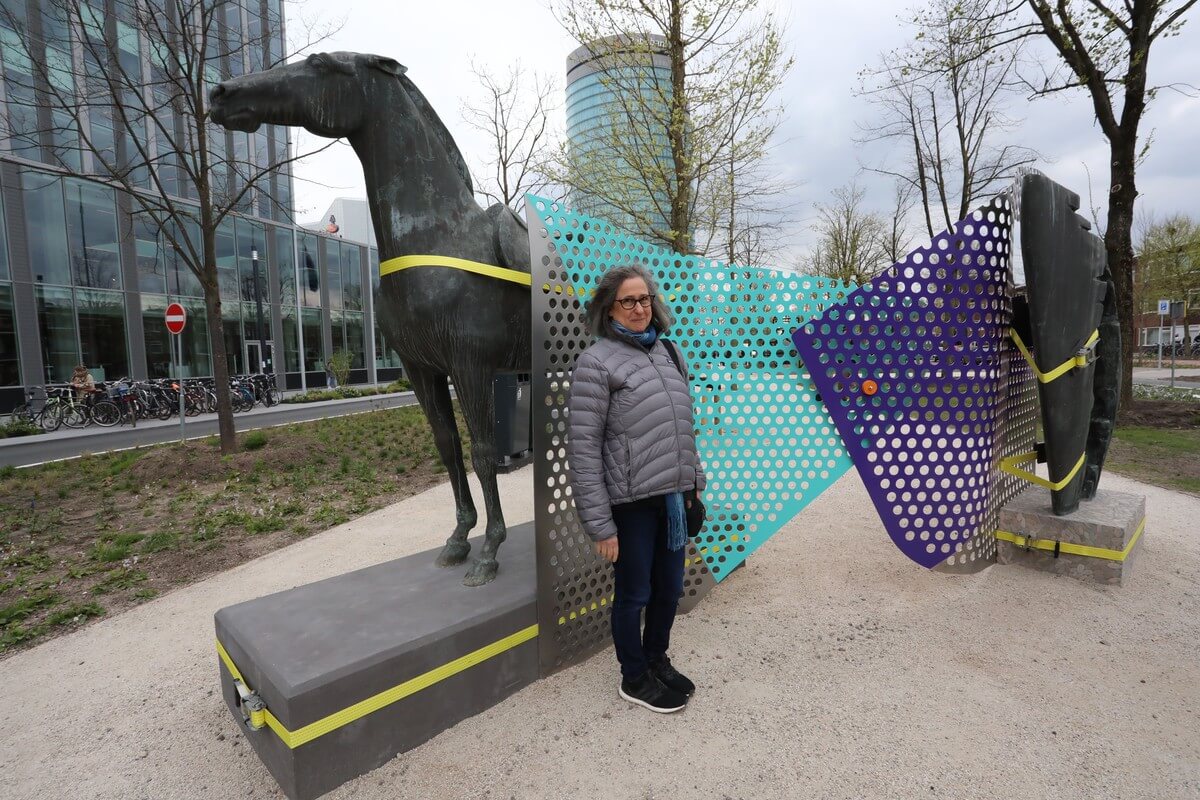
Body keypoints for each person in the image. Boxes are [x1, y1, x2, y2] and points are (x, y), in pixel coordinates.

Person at [567, 263, 706, 714]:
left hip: (672, 498)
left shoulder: (669, 353)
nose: (639, 308)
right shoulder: (596, 362)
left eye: (644, 298)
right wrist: (600, 526)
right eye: (628, 301)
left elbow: (683, 430)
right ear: (609, 309)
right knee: (635, 594)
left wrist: (694, 489)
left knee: (668, 589)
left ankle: (656, 659)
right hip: (630, 504)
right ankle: (633, 677)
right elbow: (583, 448)